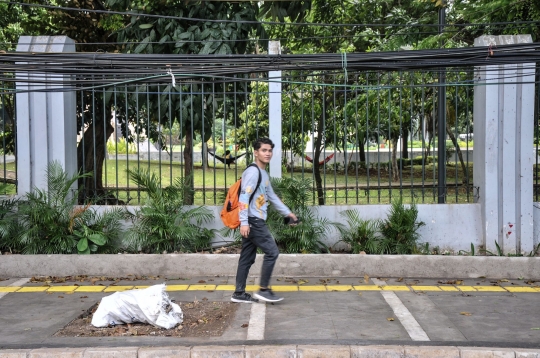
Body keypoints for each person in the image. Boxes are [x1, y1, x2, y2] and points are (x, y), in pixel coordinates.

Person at [231, 138, 298, 303]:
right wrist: (244, 222)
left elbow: (272, 197)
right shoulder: (253, 172)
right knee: (272, 252)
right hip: (253, 221)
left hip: (254, 219)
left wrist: (288, 214)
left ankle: (239, 293)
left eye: (269, 150)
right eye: (264, 150)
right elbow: (243, 197)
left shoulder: (263, 174)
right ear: (256, 152)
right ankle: (264, 289)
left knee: (247, 257)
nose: (267, 153)